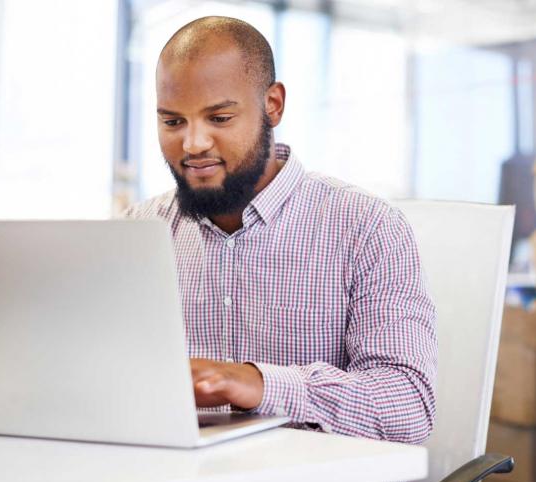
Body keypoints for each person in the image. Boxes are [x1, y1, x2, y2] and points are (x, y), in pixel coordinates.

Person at [125, 16, 437, 444]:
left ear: (272, 105)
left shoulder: (366, 227)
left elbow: (409, 406)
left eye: (218, 117)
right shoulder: (137, 233)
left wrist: (261, 385)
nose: (193, 144)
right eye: (173, 122)